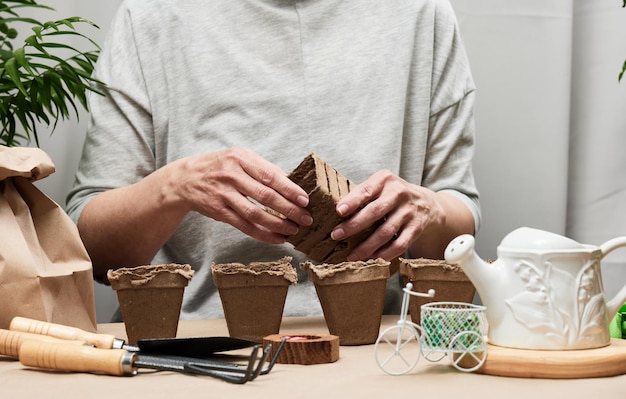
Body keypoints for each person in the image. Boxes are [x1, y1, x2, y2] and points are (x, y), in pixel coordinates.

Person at [66, 0, 481, 319]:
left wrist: (427, 210)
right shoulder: (151, 16)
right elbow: (95, 253)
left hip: (375, 340)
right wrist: (174, 187)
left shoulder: (421, 13)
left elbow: (458, 231)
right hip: (191, 344)